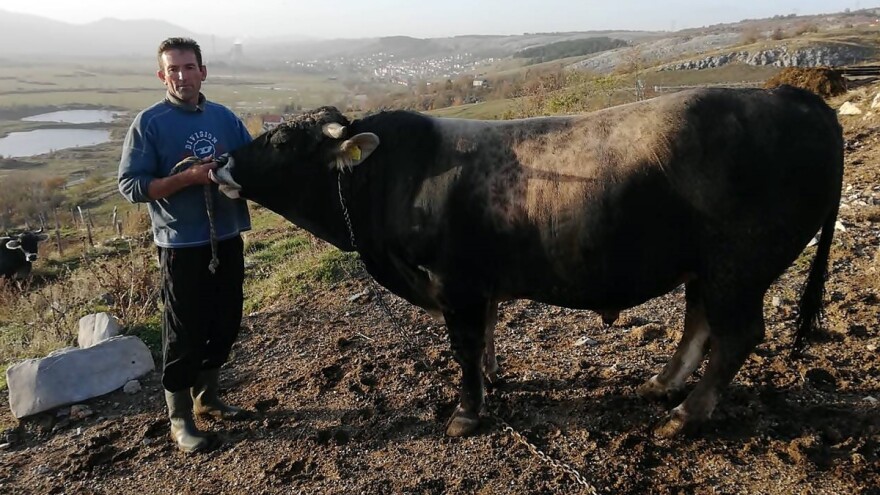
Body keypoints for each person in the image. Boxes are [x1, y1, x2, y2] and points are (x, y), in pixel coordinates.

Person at [118, 37, 254, 453]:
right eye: (173, 69)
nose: (182, 75)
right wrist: (188, 179)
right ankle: (180, 419)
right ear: (162, 75)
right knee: (183, 333)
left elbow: (252, 164)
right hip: (181, 244)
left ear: (203, 71)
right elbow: (131, 185)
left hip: (227, 235)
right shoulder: (149, 123)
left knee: (227, 322)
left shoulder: (224, 118)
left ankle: (208, 397)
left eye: (189, 67)